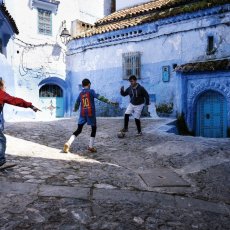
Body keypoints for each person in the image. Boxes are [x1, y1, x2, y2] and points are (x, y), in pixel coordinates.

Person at [63, 78, 118, 153]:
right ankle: (90, 146)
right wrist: (110, 102)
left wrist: (75, 109)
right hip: (90, 113)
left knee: (79, 130)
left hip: (82, 113)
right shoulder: (91, 91)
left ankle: (68, 143)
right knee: (94, 128)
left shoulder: (81, 93)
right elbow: (100, 97)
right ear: (89, 84)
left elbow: (77, 103)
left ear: (82, 85)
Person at [0, 78, 40, 169]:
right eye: (4, 85)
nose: (5, 87)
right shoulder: (1, 94)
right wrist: (30, 105)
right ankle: (0, 162)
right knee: (1, 139)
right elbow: (15, 100)